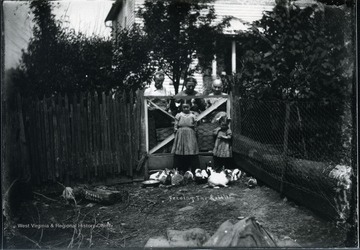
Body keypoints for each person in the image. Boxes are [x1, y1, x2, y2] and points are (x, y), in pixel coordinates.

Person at [144, 71, 172, 149]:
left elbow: (169, 102)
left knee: (164, 132)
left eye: (161, 81)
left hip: (163, 114)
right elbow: (146, 104)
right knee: (152, 133)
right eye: (158, 80)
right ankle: (153, 148)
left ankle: (164, 148)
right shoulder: (148, 91)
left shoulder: (167, 91)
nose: (159, 82)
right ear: (154, 80)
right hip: (152, 114)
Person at [172, 101, 199, 174]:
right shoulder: (179, 115)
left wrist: (195, 132)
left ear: (190, 107)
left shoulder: (193, 115)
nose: (186, 108)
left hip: (190, 133)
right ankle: (180, 169)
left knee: (190, 148)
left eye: (187, 107)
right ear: (181, 107)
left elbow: (195, 125)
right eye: (184, 107)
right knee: (181, 149)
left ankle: (192, 169)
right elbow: (176, 124)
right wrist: (175, 130)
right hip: (180, 132)